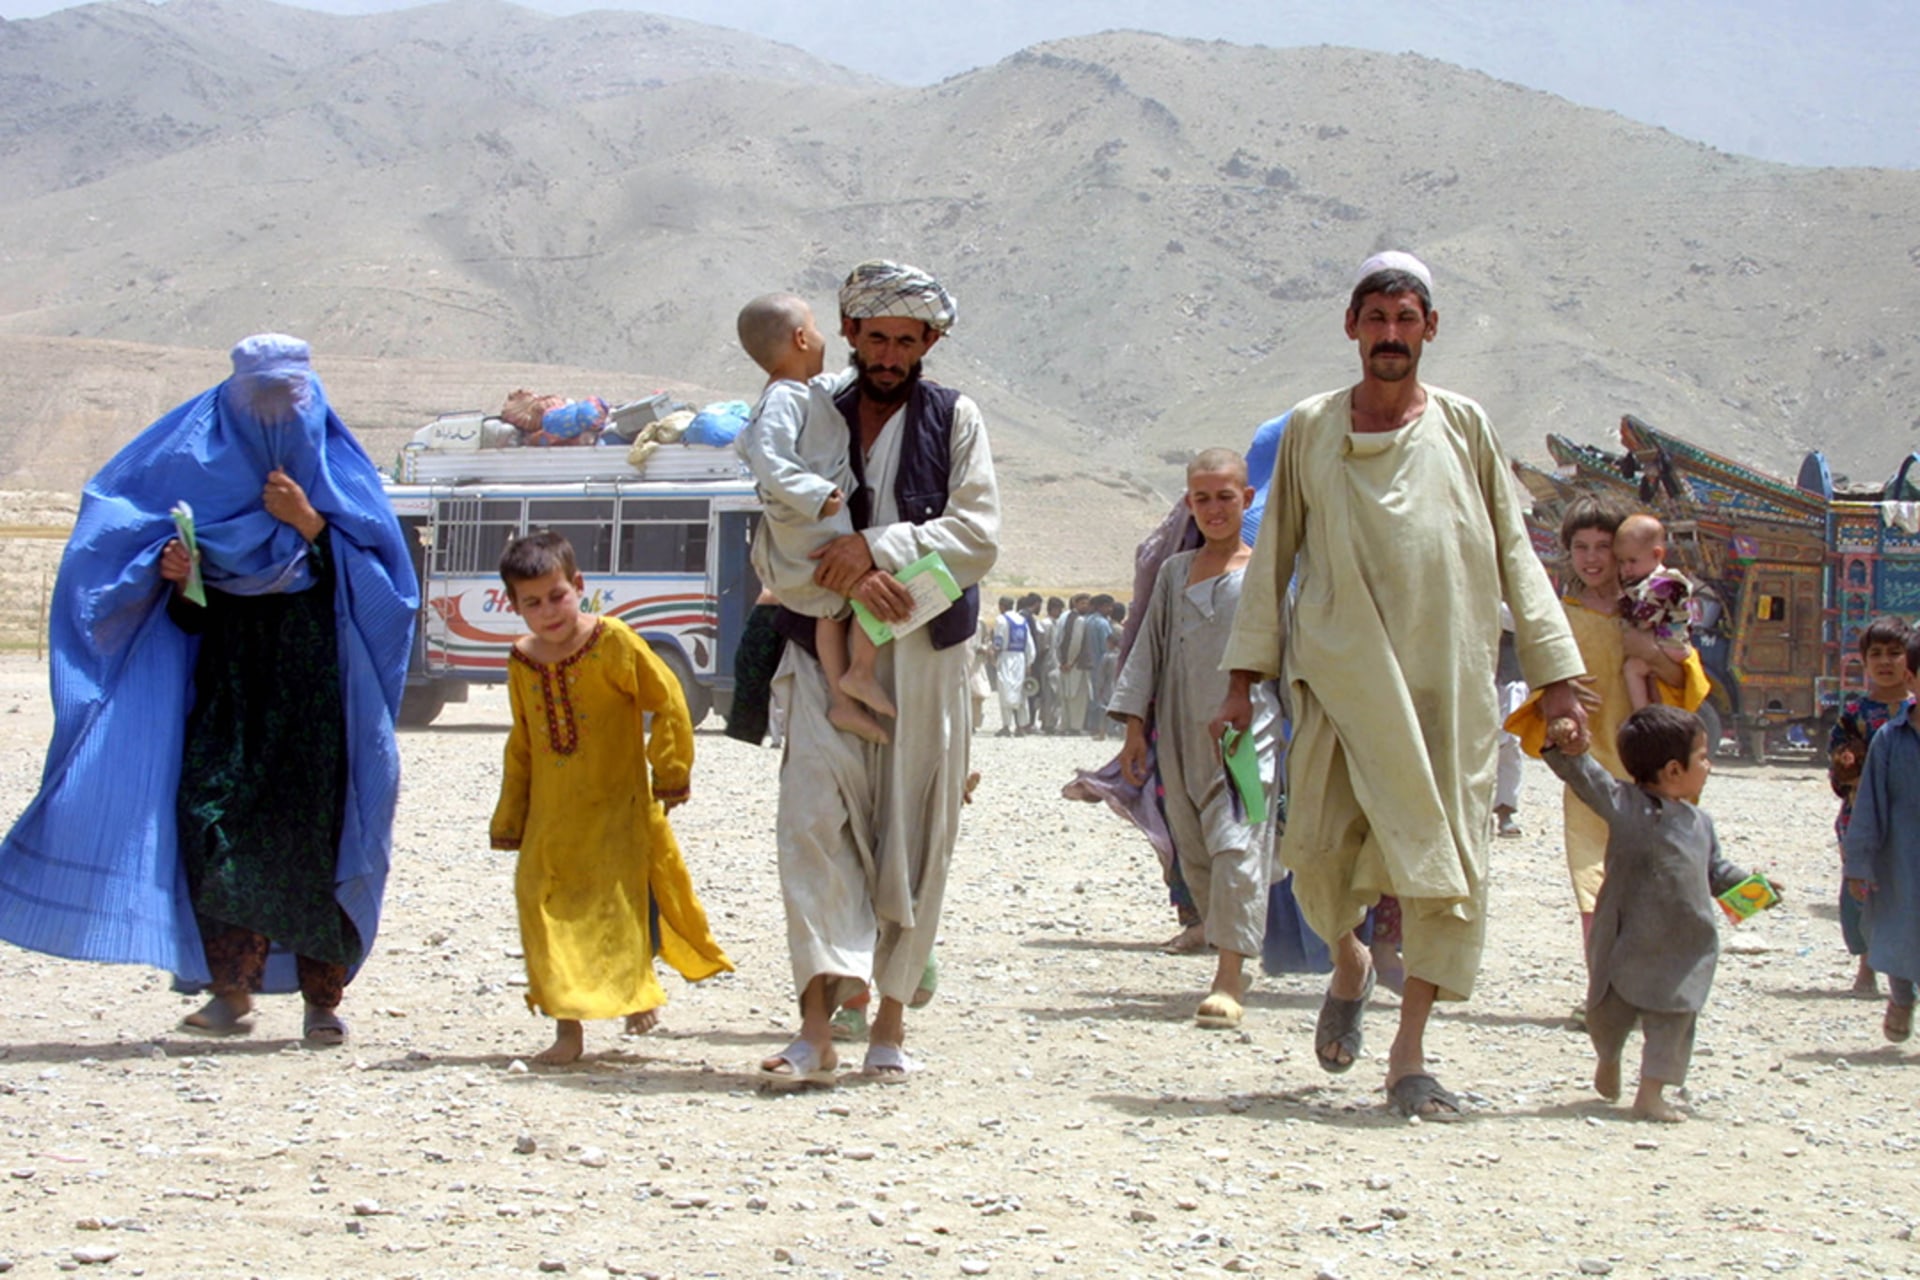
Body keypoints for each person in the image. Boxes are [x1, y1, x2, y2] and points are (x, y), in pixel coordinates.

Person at [1214, 250, 1590, 1119]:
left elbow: (1513, 549)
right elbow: (1273, 558)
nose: (1391, 334)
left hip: (1444, 685)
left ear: (1430, 329)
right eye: (1376, 318)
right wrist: (1241, 681)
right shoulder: (1312, 427)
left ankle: (1409, 1054)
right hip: (1337, 678)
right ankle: (1348, 960)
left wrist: (1557, 674)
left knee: (1443, 864)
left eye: (1406, 319)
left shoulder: (1464, 426)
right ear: (1351, 327)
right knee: (1315, 851)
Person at [0, 334, 417, 1044]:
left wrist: (311, 525)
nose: (275, 415)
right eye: (260, 399)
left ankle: (322, 1002)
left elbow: (387, 594)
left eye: (289, 399)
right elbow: (188, 616)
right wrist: (179, 577)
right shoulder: (198, 478)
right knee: (208, 822)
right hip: (227, 692)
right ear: (231, 401)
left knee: (315, 841)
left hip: (315, 703)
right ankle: (232, 992)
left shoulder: (337, 475)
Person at [759, 260, 999, 1084]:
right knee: (811, 826)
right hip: (821, 648)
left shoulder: (955, 418)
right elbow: (775, 525)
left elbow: (978, 535)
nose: (890, 355)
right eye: (877, 338)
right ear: (849, 334)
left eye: (906, 340)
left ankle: (890, 1024)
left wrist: (879, 548)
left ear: (929, 341)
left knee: (913, 836)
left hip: (923, 655)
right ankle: (814, 1030)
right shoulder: (806, 408)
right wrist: (847, 578)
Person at [489, 532, 732, 1064]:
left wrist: (670, 768)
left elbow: (667, 700)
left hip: (617, 809)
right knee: (544, 910)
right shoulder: (522, 660)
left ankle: (633, 989)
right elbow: (523, 739)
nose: (548, 612)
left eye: (557, 596)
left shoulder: (613, 641)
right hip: (552, 819)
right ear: (515, 606)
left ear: (578, 585)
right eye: (532, 603)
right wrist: (511, 814)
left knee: (617, 907)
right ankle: (567, 1031)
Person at [1112, 449, 1277, 1029]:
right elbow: (1148, 651)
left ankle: (1229, 977)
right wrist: (1134, 730)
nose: (1213, 509)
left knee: (1238, 843)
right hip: (1181, 734)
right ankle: (1227, 944)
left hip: (1247, 734)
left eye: (1225, 497)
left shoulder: (1265, 574)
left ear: (1246, 499)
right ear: (1188, 502)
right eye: (1201, 498)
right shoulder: (1174, 573)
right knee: (1197, 848)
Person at [1543, 704, 1753, 1122]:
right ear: (1674, 770)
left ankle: (1651, 1094)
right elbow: (1586, 778)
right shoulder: (1624, 806)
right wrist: (1567, 748)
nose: (1709, 766)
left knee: (1675, 1018)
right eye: (1703, 757)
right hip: (1625, 938)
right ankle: (1608, 1057)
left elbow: (1716, 872)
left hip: (1683, 945)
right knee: (1606, 1015)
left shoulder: (1700, 824)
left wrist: (1756, 893)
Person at [1537, 496, 1709, 945]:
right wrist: (1558, 690)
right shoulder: (1560, 617)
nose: (1592, 558)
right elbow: (1541, 686)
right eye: (1581, 547)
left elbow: (1686, 681)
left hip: (1650, 769)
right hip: (1590, 765)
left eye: (1603, 547)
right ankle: (1601, 980)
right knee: (1593, 881)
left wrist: (1649, 652)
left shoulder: (1650, 611)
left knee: (1653, 878)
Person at [735, 292, 891, 745]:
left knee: (830, 607)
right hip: (811, 522)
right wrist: (816, 495)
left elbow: (838, 383)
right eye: (819, 328)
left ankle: (843, 699)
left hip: (821, 518)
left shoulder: (806, 391)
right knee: (870, 582)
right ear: (802, 338)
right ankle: (860, 673)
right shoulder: (780, 401)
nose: (825, 338)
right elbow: (771, 461)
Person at [1841, 625, 1920, 1045]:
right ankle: (1902, 997)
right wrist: (1859, 863)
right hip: (1900, 856)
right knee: (1898, 926)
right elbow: (1869, 804)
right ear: (1912, 679)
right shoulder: (1891, 739)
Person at [1828, 616, 1912, 997]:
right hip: (1862, 817)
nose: (1885, 661)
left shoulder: (1915, 711)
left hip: (1911, 818)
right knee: (1863, 887)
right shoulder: (1854, 714)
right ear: (1863, 660)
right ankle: (1867, 966)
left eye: (1895, 653)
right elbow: (1838, 765)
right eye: (1876, 653)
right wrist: (1849, 764)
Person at [1613, 513, 1695, 711]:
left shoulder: (1665, 582)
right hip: (1666, 644)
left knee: (1633, 668)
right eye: (1621, 562)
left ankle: (1642, 714)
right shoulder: (1644, 582)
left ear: (1657, 555)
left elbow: (1645, 621)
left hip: (1670, 644)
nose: (1626, 569)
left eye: (1632, 561)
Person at [1493, 604, 1528, 838]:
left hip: (1509, 678)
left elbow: (1519, 620)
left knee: (1510, 743)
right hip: (1473, 675)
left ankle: (1505, 811)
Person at [992, 595, 1035, 736]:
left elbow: (998, 642)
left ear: (1001, 606)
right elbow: (1029, 644)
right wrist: (1029, 662)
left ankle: (1006, 726)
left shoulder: (1001, 620)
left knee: (1005, 690)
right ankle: (1021, 726)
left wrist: (994, 656)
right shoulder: (1022, 620)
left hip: (1006, 657)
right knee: (1019, 691)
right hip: (1021, 658)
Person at [1081, 595, 1115, 736]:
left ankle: (1090, 724)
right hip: (1102, 663)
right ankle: (1100, 727)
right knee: (1103, 695)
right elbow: (1107, 645)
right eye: (1108, 606)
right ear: (1101, 606)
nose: (1110, 609)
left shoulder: (1087, 621)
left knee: (1092, 695)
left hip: (1090, 664)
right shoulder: (1103, 624)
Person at [1060, 594, 1093, 731]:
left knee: (1067, 694)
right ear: (1075, 604)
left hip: (1066, 663)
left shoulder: (1066, 617)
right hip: (1076, 664)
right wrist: (1070, 662)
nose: (1085, 606)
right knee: (1077, 696)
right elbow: (1076, 643)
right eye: (1082, 603)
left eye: (1087, 603)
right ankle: (1075, 726)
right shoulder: (1079, 620)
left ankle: (1066, 725)